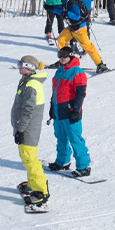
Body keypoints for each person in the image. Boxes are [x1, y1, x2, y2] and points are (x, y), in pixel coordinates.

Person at [48, 45, 92, 177]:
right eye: (59, 56)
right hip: (58, 110)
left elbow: (81, 93)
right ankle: (62, 161)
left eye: (64, 56)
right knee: (61, 138)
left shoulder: (77, 72)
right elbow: (55, 91)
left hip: (70, 111)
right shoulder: (59, 71)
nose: (62, 59)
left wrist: (76, 110)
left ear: (71, 56)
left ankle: (83, 166)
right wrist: (52, 107)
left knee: (75, 138)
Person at [12, 54, 49, 209]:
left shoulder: (31, 85)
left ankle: (41, 191)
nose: (19, 66)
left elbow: (28, 110)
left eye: (21, 64)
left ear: (29, 67)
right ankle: (33, 184)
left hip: (28, 129)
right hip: (24, 127)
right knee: (28, 158)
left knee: (30, 159)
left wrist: (20, 129)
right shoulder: (27, 81)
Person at [57, 0, 109, 73]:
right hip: (86, 8)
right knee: (81, 30)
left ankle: (76, 48)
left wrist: (74, 2)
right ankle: (66, 57)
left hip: (75, 8)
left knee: (81, 32)